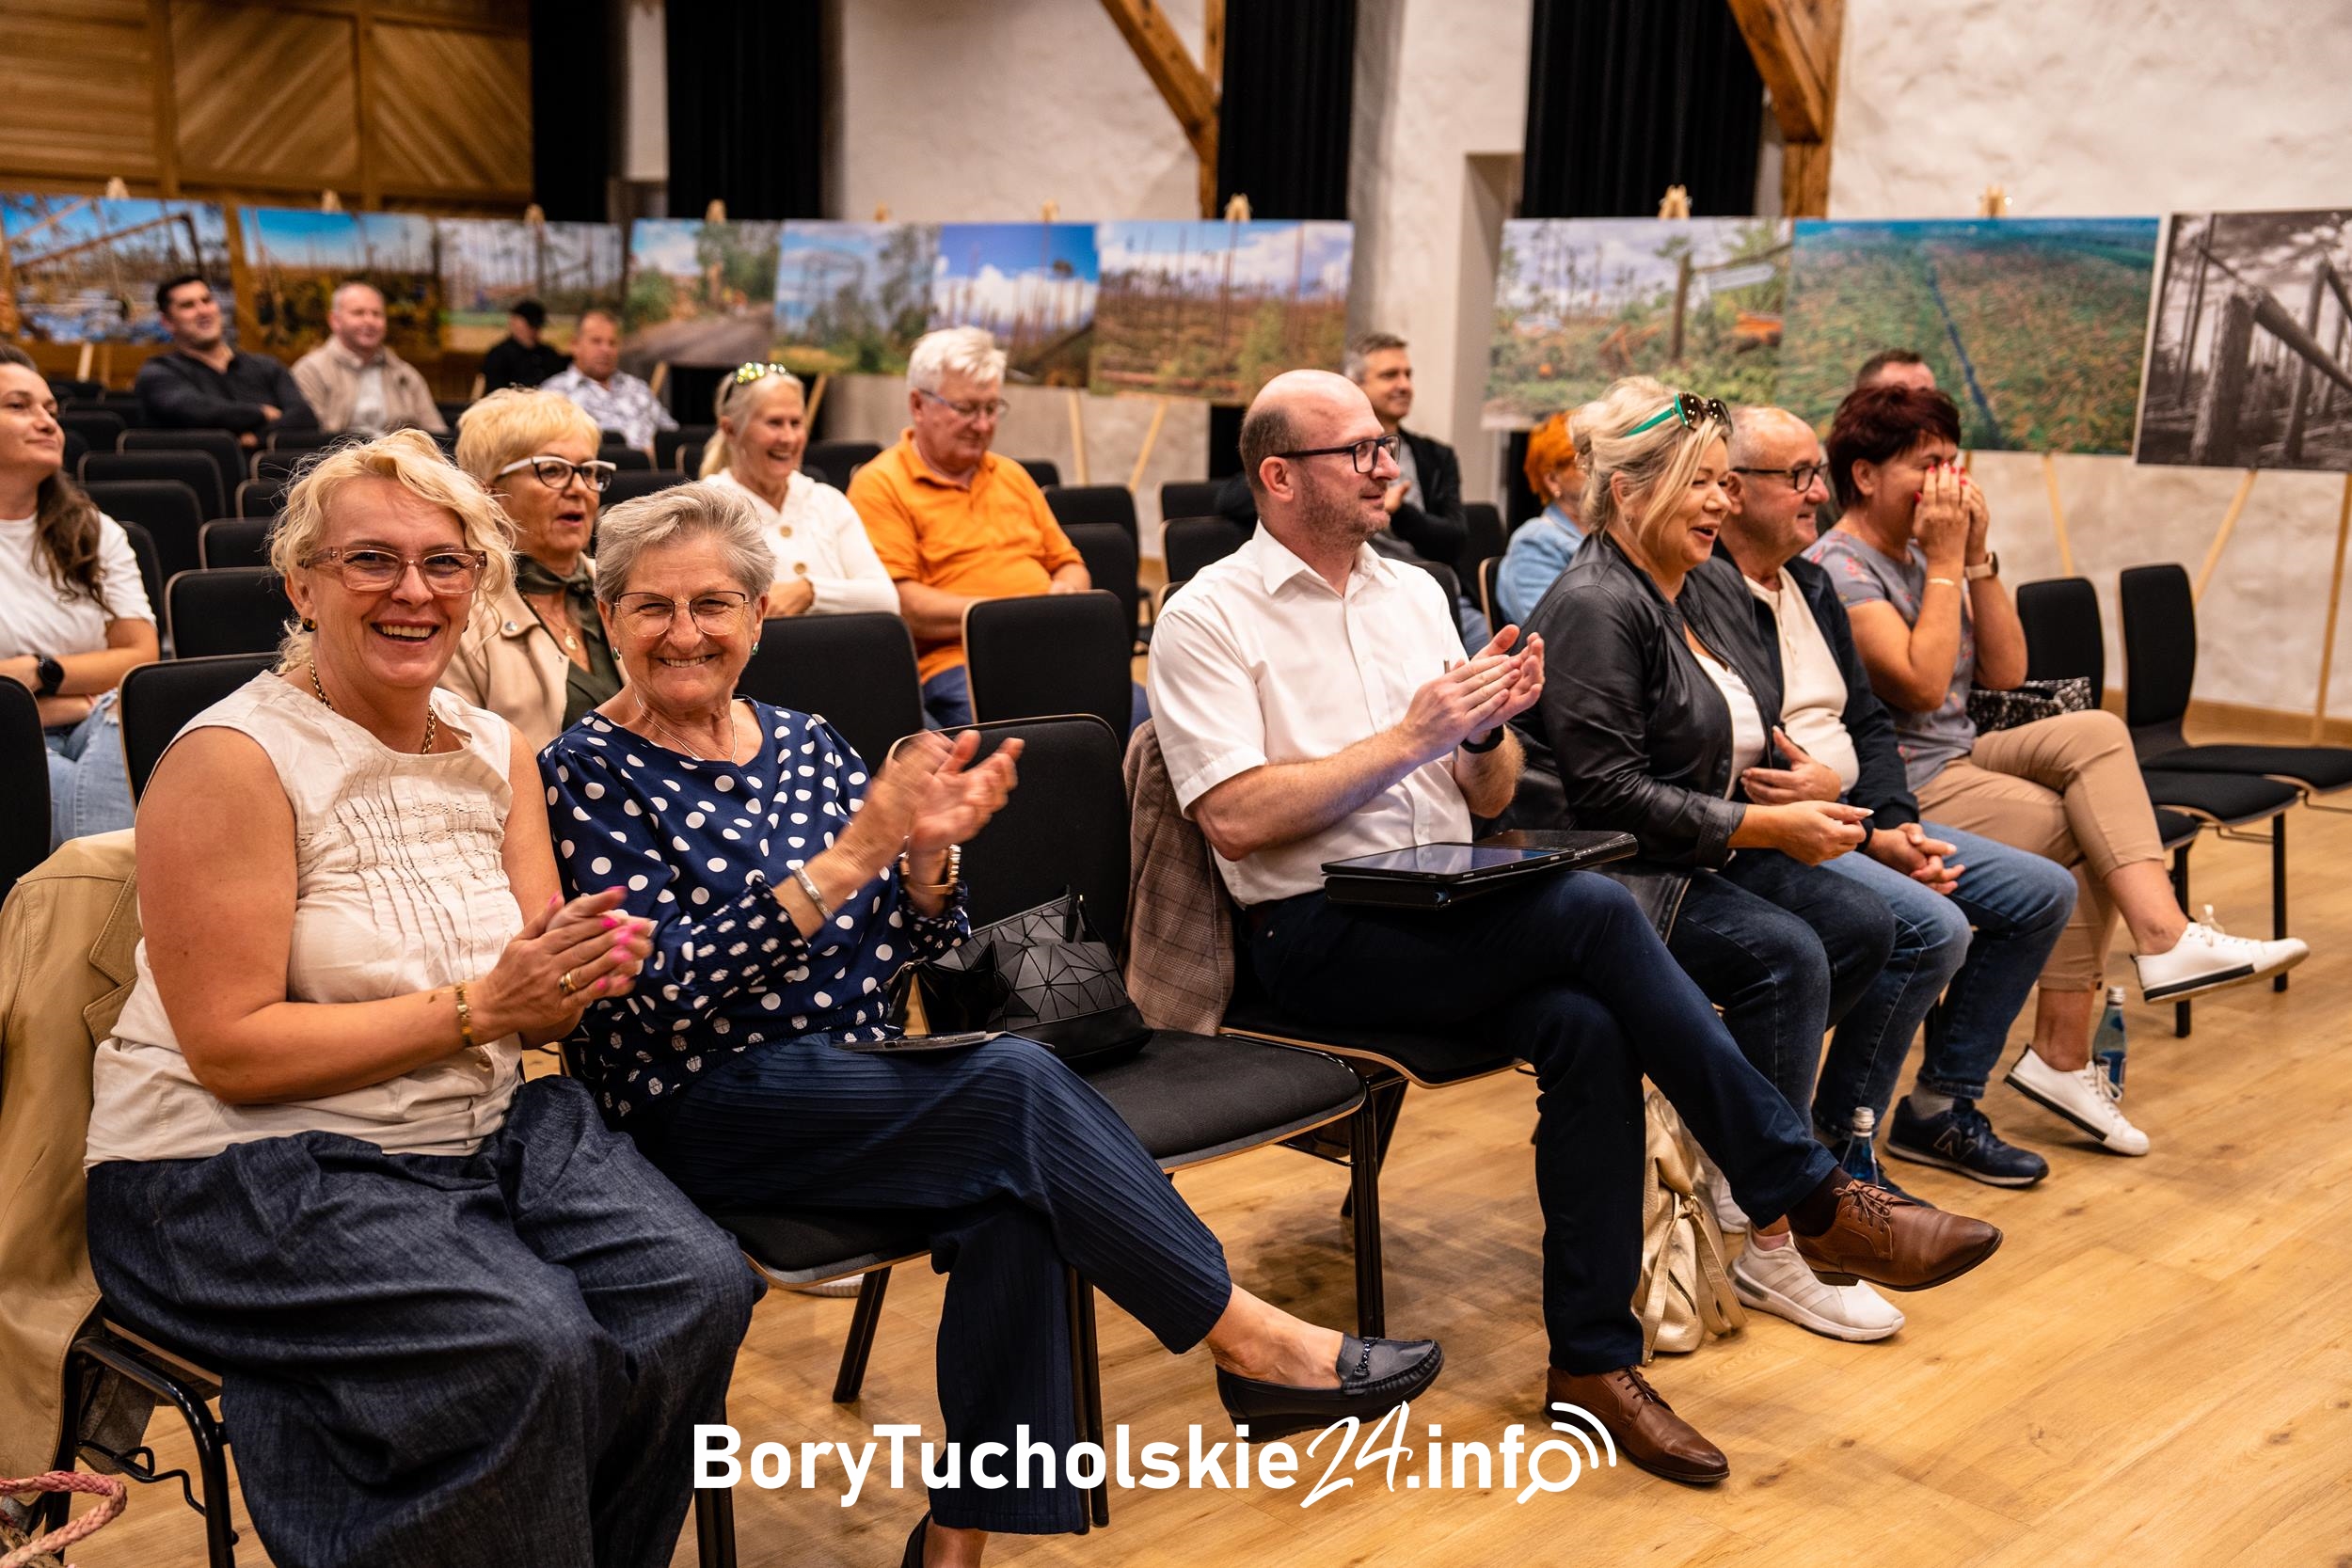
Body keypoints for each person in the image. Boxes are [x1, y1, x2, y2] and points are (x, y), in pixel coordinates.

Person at [541, 482, 1441, 1562]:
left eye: (713, 605)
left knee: (1022, 1200)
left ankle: (956, 1542)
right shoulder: (583, 771)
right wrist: (854, 857)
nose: (685, 632)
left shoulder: (804, 738)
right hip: (699, 1103)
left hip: (863, 1073)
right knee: (1012, 1084)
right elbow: (658, 991)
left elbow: (915, 947)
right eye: (652, 607)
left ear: (757, 615)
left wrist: (925, 862)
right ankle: (1245, 1336)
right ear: (608, 617)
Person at [1148, 368, 2002, 1483]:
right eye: (1354, 449)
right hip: (1311, 930)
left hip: (1447, 889)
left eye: (1380, 444)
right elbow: (1236, 817)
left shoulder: (1412, 590)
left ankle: (1593, 1366)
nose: (1384, 463)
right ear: (1277, 475)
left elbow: (1493, 794)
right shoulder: (1207, 613)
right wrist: (1416, 734)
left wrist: (1487, 730)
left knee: (1589, 1027)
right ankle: (1802, 1190)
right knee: (1597, 906)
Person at [79, 430, 758, 1568]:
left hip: (469, 1124)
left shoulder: (498, 747)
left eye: (446, 564)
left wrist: (577, 970)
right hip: (235, 1164)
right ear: (302, 582)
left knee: (696, 1286)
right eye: (371, 561)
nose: (414, 591)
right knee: (527, 1342)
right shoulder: (235, 757)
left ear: (478, 588)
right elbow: (231, 1051)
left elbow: (536, 1002)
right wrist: (483, 1007)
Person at [1518, 377, 1942, 1344]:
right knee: (1782, 953)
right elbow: (1607, 795)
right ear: (1629, 493)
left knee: (1864, 922)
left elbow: (1694, 748)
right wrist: (1761, 827)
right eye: (1698, 484)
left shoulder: (1671, 589)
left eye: (1720, 482)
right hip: (1603, 872)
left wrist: (1779, 794)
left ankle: (1735, 1145)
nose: (1719, 502)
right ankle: (1773, 1227)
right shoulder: (1595, 600)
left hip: (1673, 848)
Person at [1810, 385, 2308, 1157]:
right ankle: (2052, 1060)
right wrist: (1946, 559)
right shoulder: (1839, 566)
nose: (1949, 482)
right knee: (2067, 828)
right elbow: (1919, 684)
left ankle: (2162, 935)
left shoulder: (1924, 554)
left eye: (1953, 461)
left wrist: (1973, 560)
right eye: (1927, 464)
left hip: (1962, 748)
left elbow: (2007, 675)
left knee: (2100, 732)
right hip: (1902, 774)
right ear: (1866, 475)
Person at [1723, 404, 2075, 1190]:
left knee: (2045, 888)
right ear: (1731, 490)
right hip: (1794, 822)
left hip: (1867, 806)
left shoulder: (1808, 584)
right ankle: (1840, 1141)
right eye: (1797, 478)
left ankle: (1940, 1105)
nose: (1814, 495)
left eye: (1815, 474)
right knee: (1932, 925)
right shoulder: (1725, 592)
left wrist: (1894, 822)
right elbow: (1767, 742)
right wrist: (1867, 830)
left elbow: (1872, 721)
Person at [848, 326, 1144, 732]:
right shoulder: (880, 484)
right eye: (966, 408)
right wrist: (1014, 615)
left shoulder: (1012, 476)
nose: (982, 424)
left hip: (1053, 650)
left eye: (991, 409)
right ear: (918, 404)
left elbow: (1070, 564)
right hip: (958, 666)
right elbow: (903, 604)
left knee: (1149, 720)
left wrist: (1064, 590)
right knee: (1032, 737)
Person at [0, 345, 156, 847]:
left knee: (122, 722)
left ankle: (83, 914)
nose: (47, 423)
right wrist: (65, 699)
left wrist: (38, 673)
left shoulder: (94, 530)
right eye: (18, 406)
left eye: (50, 409)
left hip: (97, 720)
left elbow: (139, 656)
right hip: (16, 735)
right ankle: (107, 920)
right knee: (73, 792)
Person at [444, 388, 621, 747]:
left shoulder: (626, 588)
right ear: (488, 493)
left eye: (588, 471)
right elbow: (466, 772)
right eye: (553, 470)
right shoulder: (456, 613)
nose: (579, 488)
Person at [700, 362, 896, 615]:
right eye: (774, 423)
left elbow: (887, 600)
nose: (789, 438)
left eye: (796, 423)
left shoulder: (827, 500)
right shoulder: (706, 510)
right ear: (731, 430)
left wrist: (809, 592)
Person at [1347, 330, 1490, 646]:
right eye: (1389, 375)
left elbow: (1454, 541)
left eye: (1408, 374)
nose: (1404, 385)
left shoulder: (1436, 456)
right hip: (1367, 597)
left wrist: (1400, 513)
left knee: (1509, 663)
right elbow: (1238, 497)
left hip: (1438, 590)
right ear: (1356, 385)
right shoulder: (1333, 454)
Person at [133, 274, 315, 448]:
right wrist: (261, 413)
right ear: (167, 322)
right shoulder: (159, 372)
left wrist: (256, 438)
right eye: (188, 305)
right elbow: (193, 410)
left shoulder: (267, 366)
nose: (203, 311)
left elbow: (304, 417)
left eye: (207, 300)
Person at [290, 280, 447, 436]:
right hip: (337, 459)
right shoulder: (310, 371)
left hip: (401, 458)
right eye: (358, 313)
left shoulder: (405, 374)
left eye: (377, 314)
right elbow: (305, 442)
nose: (369, 321)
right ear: (335, 321)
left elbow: (437, 434)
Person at [1493, 404, 1595, 626]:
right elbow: (1551, 633)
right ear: (1552, 480)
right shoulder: (1534, 542)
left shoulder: (1607, 533)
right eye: (1585, 462)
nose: (1598, 471)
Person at [1815, 350, 1937, 529]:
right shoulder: (1824, 493)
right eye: (1905, 400)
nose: (1931, 410)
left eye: (1932, 399)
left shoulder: (1935, 478)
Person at [541, 308, 675, 452]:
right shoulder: (553, 396)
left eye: (612, 343)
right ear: (575, 345)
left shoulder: (637, 388)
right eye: (596, 341)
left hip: (651, 473)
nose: (606, 349)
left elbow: (673, 436)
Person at [480, 297, 570, 392]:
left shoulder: (549, 353)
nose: (534, 330)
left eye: (538, 325)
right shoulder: (498, 355)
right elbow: (496, 393)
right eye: (530, 324)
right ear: (513, 321)